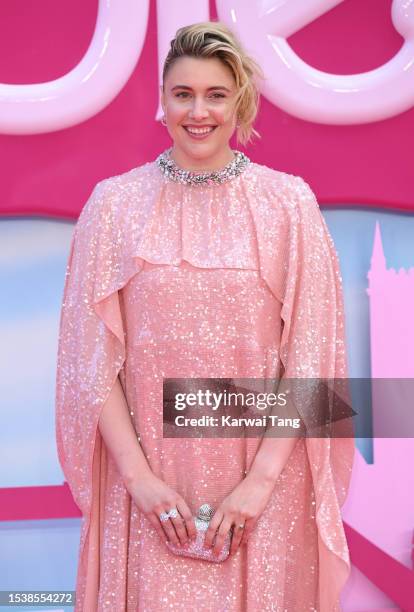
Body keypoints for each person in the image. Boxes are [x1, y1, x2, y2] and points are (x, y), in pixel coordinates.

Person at [55, 21, 354, 611]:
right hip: (149, 492)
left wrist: (258, 486)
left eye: (216, 95)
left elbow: (313, 361)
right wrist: (139, 481)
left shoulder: (288, 204)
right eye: (183, 94)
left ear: (240, 102)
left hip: (265, 489)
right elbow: (91, 364)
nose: (199, 112)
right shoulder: (113, 205)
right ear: (161, 102)